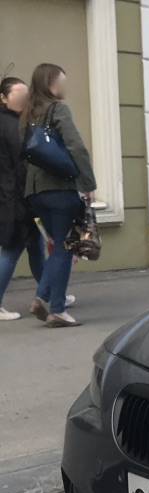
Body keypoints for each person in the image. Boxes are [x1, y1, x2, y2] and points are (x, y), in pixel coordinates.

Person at [21, 63, 94, 327]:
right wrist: (88, 181)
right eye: (62, 81)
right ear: (52, 84)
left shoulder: (28, 113)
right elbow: (75, 145)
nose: (64, 87)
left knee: (58, 248)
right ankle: (57, 309)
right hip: (60, 189)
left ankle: (42, 299)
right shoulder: (58, 109)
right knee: (64, 247)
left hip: (35, 193)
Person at [0, 76, 47, 321]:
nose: (24, 100)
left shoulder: (14, 121)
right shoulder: (11, 126)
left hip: (14, 196)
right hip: (16, 197)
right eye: (18, 95)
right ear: (3, 97)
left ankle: (47, 293)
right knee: (13, 248)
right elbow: (23, 164)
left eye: (25, 95)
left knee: (36, 246)